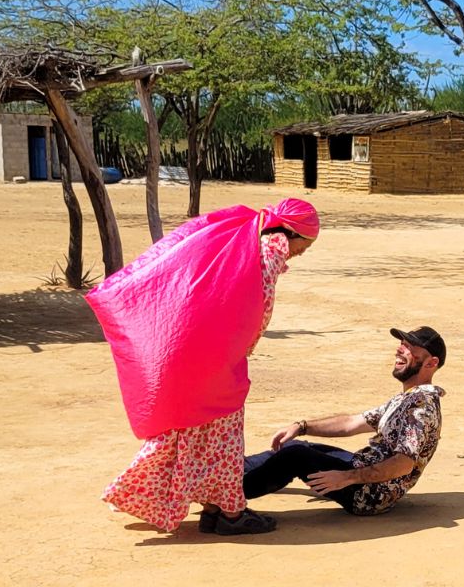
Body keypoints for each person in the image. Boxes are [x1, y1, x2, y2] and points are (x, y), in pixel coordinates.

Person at [87, 199, 320, 535]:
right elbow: (259, 308)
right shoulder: (270, 249)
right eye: (305, 245)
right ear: (291, 234)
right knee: (223, 434)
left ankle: (215, 507)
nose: (302, 252)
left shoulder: (239, 236)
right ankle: (231, 514)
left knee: (197, 430)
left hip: (190, 348)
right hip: (215, 357)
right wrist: (242, 350)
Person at [232, 326, 446, 525]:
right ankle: (228, 473)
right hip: (364, 468)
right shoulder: (407, 398)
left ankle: (226, 495)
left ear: (431, 363)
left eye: (409, 347)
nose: (400, 349)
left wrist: (346, 478)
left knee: (295, 456)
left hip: (370, 494)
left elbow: (404, 463)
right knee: (297, 447)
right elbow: (352, 423)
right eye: (402, 344)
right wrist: (302, 426)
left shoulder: (421, 406)